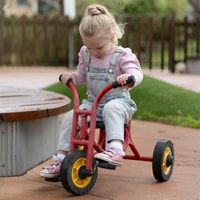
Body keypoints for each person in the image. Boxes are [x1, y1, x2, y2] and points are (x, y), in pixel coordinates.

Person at [39, 4, 143, 178]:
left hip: (119, 102)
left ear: (112, 37)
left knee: (112, 108)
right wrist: (72, 76)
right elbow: (82, 74)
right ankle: (62, 157)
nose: (93, 52)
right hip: (93, 103)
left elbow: (137, 72)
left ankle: (115, 148)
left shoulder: (122, 55)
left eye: (99, 48)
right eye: (89, 48)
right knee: (71, 116)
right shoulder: (86, 54)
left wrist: (129, 77)